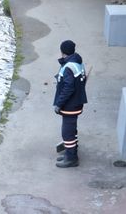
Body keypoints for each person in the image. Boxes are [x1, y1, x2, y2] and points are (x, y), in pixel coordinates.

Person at [53, 40, 87, 168]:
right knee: (72, 130)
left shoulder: (68, 67)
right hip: (76, 103)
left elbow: (68, 88)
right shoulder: (77, 62)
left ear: (63, 52)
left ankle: (71, 158)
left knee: (67, 132)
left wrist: (58, 104)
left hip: (70, 106)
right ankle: (70, 152)